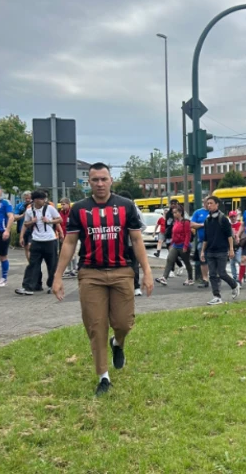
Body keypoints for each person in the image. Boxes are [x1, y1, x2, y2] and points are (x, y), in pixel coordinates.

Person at [52, 162, 154, 396]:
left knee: (123, 323)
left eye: (103, 179)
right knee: (96, 327)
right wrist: (57, 276)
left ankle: (117, 343)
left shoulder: (126, 206)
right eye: (95, 180)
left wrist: (147, 271)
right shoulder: (79, 209)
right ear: (89, 182)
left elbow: (137, 241)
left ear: (111, 180)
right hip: (91, 274)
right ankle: (103, 377)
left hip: (121, 272)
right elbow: (69, 243)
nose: (99, 183)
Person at [14, 191, 62, 295]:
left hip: (50, 240)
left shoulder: (50, 208)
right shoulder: (29, 210)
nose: (44, 200)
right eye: (41, 199)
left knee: (52, 264)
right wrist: (31, 224)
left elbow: (59, 219)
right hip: (36, 240)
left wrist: (49, 221)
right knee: (33, 264)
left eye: (44, 198)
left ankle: (52, 285)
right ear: (35, 200)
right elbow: (25, 224)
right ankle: (29, 286)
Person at [200, 196, 239, 305]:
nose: (209, 205)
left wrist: (231, 249)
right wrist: (203, 251)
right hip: (210, 251)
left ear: (217, 204)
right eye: (207, 204)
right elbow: (206, 238)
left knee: (221, 273)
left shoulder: (223, 219)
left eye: (211, 203)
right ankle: (216, 296)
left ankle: (234, 285)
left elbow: (229, 236)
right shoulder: (207, 220)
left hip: (221, 251)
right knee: (212, 275)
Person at [156, 205, 193, 286]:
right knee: (170, 259)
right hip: (175, 245)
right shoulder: (176, 222)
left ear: (180, 212)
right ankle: (164, 277)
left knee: (187, 262)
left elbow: (188, 235)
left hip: (183, 245)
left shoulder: (186, 222)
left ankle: (190, 278)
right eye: (173, 213)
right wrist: (172, 243)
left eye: (176, 212)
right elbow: (174, 234)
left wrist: (185, 246)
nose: (174, 214)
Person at [119, 192, 147, 296]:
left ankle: (136, 287)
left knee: (134, 265)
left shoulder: (134, 209)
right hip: (120, 243)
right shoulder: (116, 209)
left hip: (131, 243)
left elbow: (143, 225)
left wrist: (134, 234)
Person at [0, 182, 14, 287]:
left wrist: (7, 230)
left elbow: (11, 216)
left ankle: (4, 278)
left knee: (2, 256)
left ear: (0, 190)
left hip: (1, 233)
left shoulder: (5, 202)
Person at [190, 196, 211, 289]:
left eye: (210, 202)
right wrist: (202, 225)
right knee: (203, 260)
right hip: (201, 241)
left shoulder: (214, 213)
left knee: (214, 259)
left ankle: (215, 277)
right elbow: (192, 224)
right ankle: (205, 279)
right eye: (207, 202)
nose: (208, 204)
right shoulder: (198, 213)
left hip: (213, 241)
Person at [58, 198, 79, 278]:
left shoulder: (72, 212)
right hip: (64, 235)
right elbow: (60, 224)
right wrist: (61, 234)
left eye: (63, 204)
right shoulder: (61, 213)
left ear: (68, 204)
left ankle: (75, 269)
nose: (62, 206)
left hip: (72, 235)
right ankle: (69, 269)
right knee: (66, 253)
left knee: (74, 253)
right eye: (61, 204)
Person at [164, 200, 184, 277]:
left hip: (177, 235)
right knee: (171, 253)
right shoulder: (168, 213)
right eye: (171, 204)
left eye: (174, 204)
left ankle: (172, 270)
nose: (173, 205)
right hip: (169, 234)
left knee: (172, 254)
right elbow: (167, 224)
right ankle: (180, 265)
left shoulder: (181, 213)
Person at [14, 190, 32, 262]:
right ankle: (30, 263)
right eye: (26, 198)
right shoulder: (19, 206)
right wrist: (22, 215)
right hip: (23, 229)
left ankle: (33, 263)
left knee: (31, 246)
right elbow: (14, 217)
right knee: (26, 248)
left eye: (29, 198)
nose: (27, 200)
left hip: (33, 229)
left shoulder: (34, 205)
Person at [229, 211, 242, 282]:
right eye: (231, 217)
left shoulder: (240, 224)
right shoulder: (228, 225)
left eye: (234, 216)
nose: (233, 218)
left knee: (239, 261)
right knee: (232, 263)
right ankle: (234, 277)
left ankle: (242, 274)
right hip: (231, 246)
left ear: (236, 216)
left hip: (239, 245)